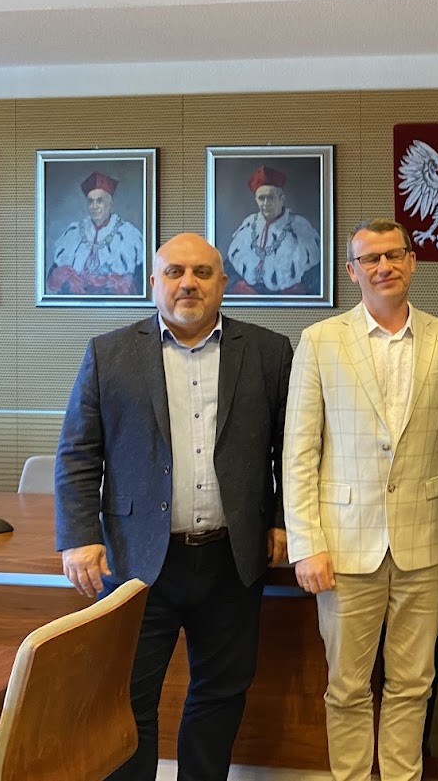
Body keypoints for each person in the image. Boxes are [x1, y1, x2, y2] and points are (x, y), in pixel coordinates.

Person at [54, 232, 292, 781]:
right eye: (175, 272)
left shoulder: (268, 351)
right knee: (127, 698)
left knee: (220, 693)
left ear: (223, 284)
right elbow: (78, 453)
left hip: (233, 559)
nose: (189, 283)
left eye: (202, 273)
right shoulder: (109, 353)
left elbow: (290, 448)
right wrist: (79, 536)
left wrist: (282, 521)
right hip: (138, 562)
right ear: (154, 283)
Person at [283, 218, 438, 781]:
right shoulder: (320, 340)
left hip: (427, 543)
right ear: (352, 270)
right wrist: (306, 543)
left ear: (413, 262)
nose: (384, 267)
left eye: (394, 255)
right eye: (371, 259)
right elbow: (300, 450)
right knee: (346, 687)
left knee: (413, 684)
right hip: (344, 546)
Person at [225, 165, 322, 296]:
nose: (266, 203)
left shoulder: (300, 227)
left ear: (281, 199)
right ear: (256, 200)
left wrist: (301, 289)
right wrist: (237, 285)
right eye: (261, 198)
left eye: (270, 197)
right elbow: (229, 267)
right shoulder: (248, 224)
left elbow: (317, 272)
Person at [46, 170, 146, 295]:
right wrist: (68, 278)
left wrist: (115, 282)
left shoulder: (128, 234)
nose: (94, 206)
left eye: (99, 201)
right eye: (90, 201)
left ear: (110, 204)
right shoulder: (74, 232)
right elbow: (52, 280)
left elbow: (142, 285)